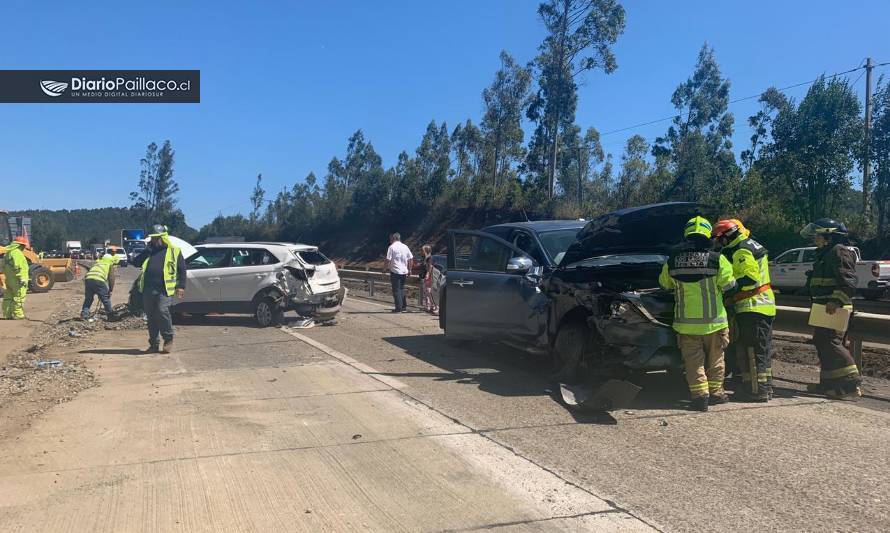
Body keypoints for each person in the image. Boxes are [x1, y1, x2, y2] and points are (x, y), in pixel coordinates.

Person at [659, 216, 737, 411]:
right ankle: (716, 394)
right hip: (714, 322)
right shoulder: (718, 259)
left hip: (686, 324)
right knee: (716, 359)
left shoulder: (673, 260)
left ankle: (700, 396)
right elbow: (729, 285)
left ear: (687, 234)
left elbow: (664, 284)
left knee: (693, 362)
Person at [713, 219, 776, 402]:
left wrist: (729, 291)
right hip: (762, 305)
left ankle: (755, 391)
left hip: (752, 306)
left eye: (719, 239)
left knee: (751, 350)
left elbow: (749, 279)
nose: (718, 243)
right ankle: (764, 387)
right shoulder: (748, 244)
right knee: (761, 350)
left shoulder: (740, 249)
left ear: (726, 236)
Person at [799, 218, 862, 400]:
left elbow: (848, 282)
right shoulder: (825, 253)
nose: (815, 238)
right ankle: (828, 385)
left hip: (834, 307)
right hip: (823, 306)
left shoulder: (839, 251)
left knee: (832, 343)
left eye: (818, 234)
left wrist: (836, 300)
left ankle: (852, 383)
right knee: (822, 342)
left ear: (829, 236)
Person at [133, 225, 187, 354]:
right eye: (153, 238)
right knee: (151, 317)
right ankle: (154, 344)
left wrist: (181, 286)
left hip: (164, 289)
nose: (154, 240)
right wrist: (147, 250)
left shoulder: (174, 251)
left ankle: (168, 338)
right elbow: (135, 262)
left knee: (162, 311)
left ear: (163, 238)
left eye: (156, 238)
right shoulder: (150, 251)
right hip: (148, 289)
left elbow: (182, 270)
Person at [81, 253, 120, 321]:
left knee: (88, 299)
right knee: (105, 299)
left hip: (88, 279)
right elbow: (111, 278)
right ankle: (111, 316)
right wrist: (110, 290)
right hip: (99, 280)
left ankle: (84, 315)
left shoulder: (97, 263)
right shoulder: (109, 264)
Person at [2, 236, 30, 320]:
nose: (24, 248)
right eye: (23, 246)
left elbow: (4, 266)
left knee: (8, 297)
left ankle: (7, 314)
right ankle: (18, 314)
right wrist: (21, 278)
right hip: (17, 280)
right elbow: (18, 266)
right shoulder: (17, 253)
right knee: (19, 296)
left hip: (9, 279)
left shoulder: (8, 253)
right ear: (20, 245)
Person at [385, 232, 412, 313]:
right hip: (404, 271)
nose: (389, 240)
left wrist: (384, 269)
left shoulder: (391, 247)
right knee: (401, 289)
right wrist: (410, 269)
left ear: (394, 238)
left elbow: (388, 259)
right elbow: (410, 258)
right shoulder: (405, 247)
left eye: (390, 238)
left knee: (396, 290)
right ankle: (403, 307)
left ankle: (398, 308)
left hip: (395, 271)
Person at [419, 245, 439, 315]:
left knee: (429, 292)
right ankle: (429, 306)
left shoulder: (429, 258)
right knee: (426, 292)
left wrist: (427, 275)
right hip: (426, 277)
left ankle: (435, 307)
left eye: (422, 250)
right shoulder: (425, 258)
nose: (420, 252)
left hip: (430, 277)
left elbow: (430, 267)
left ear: (426, 251)